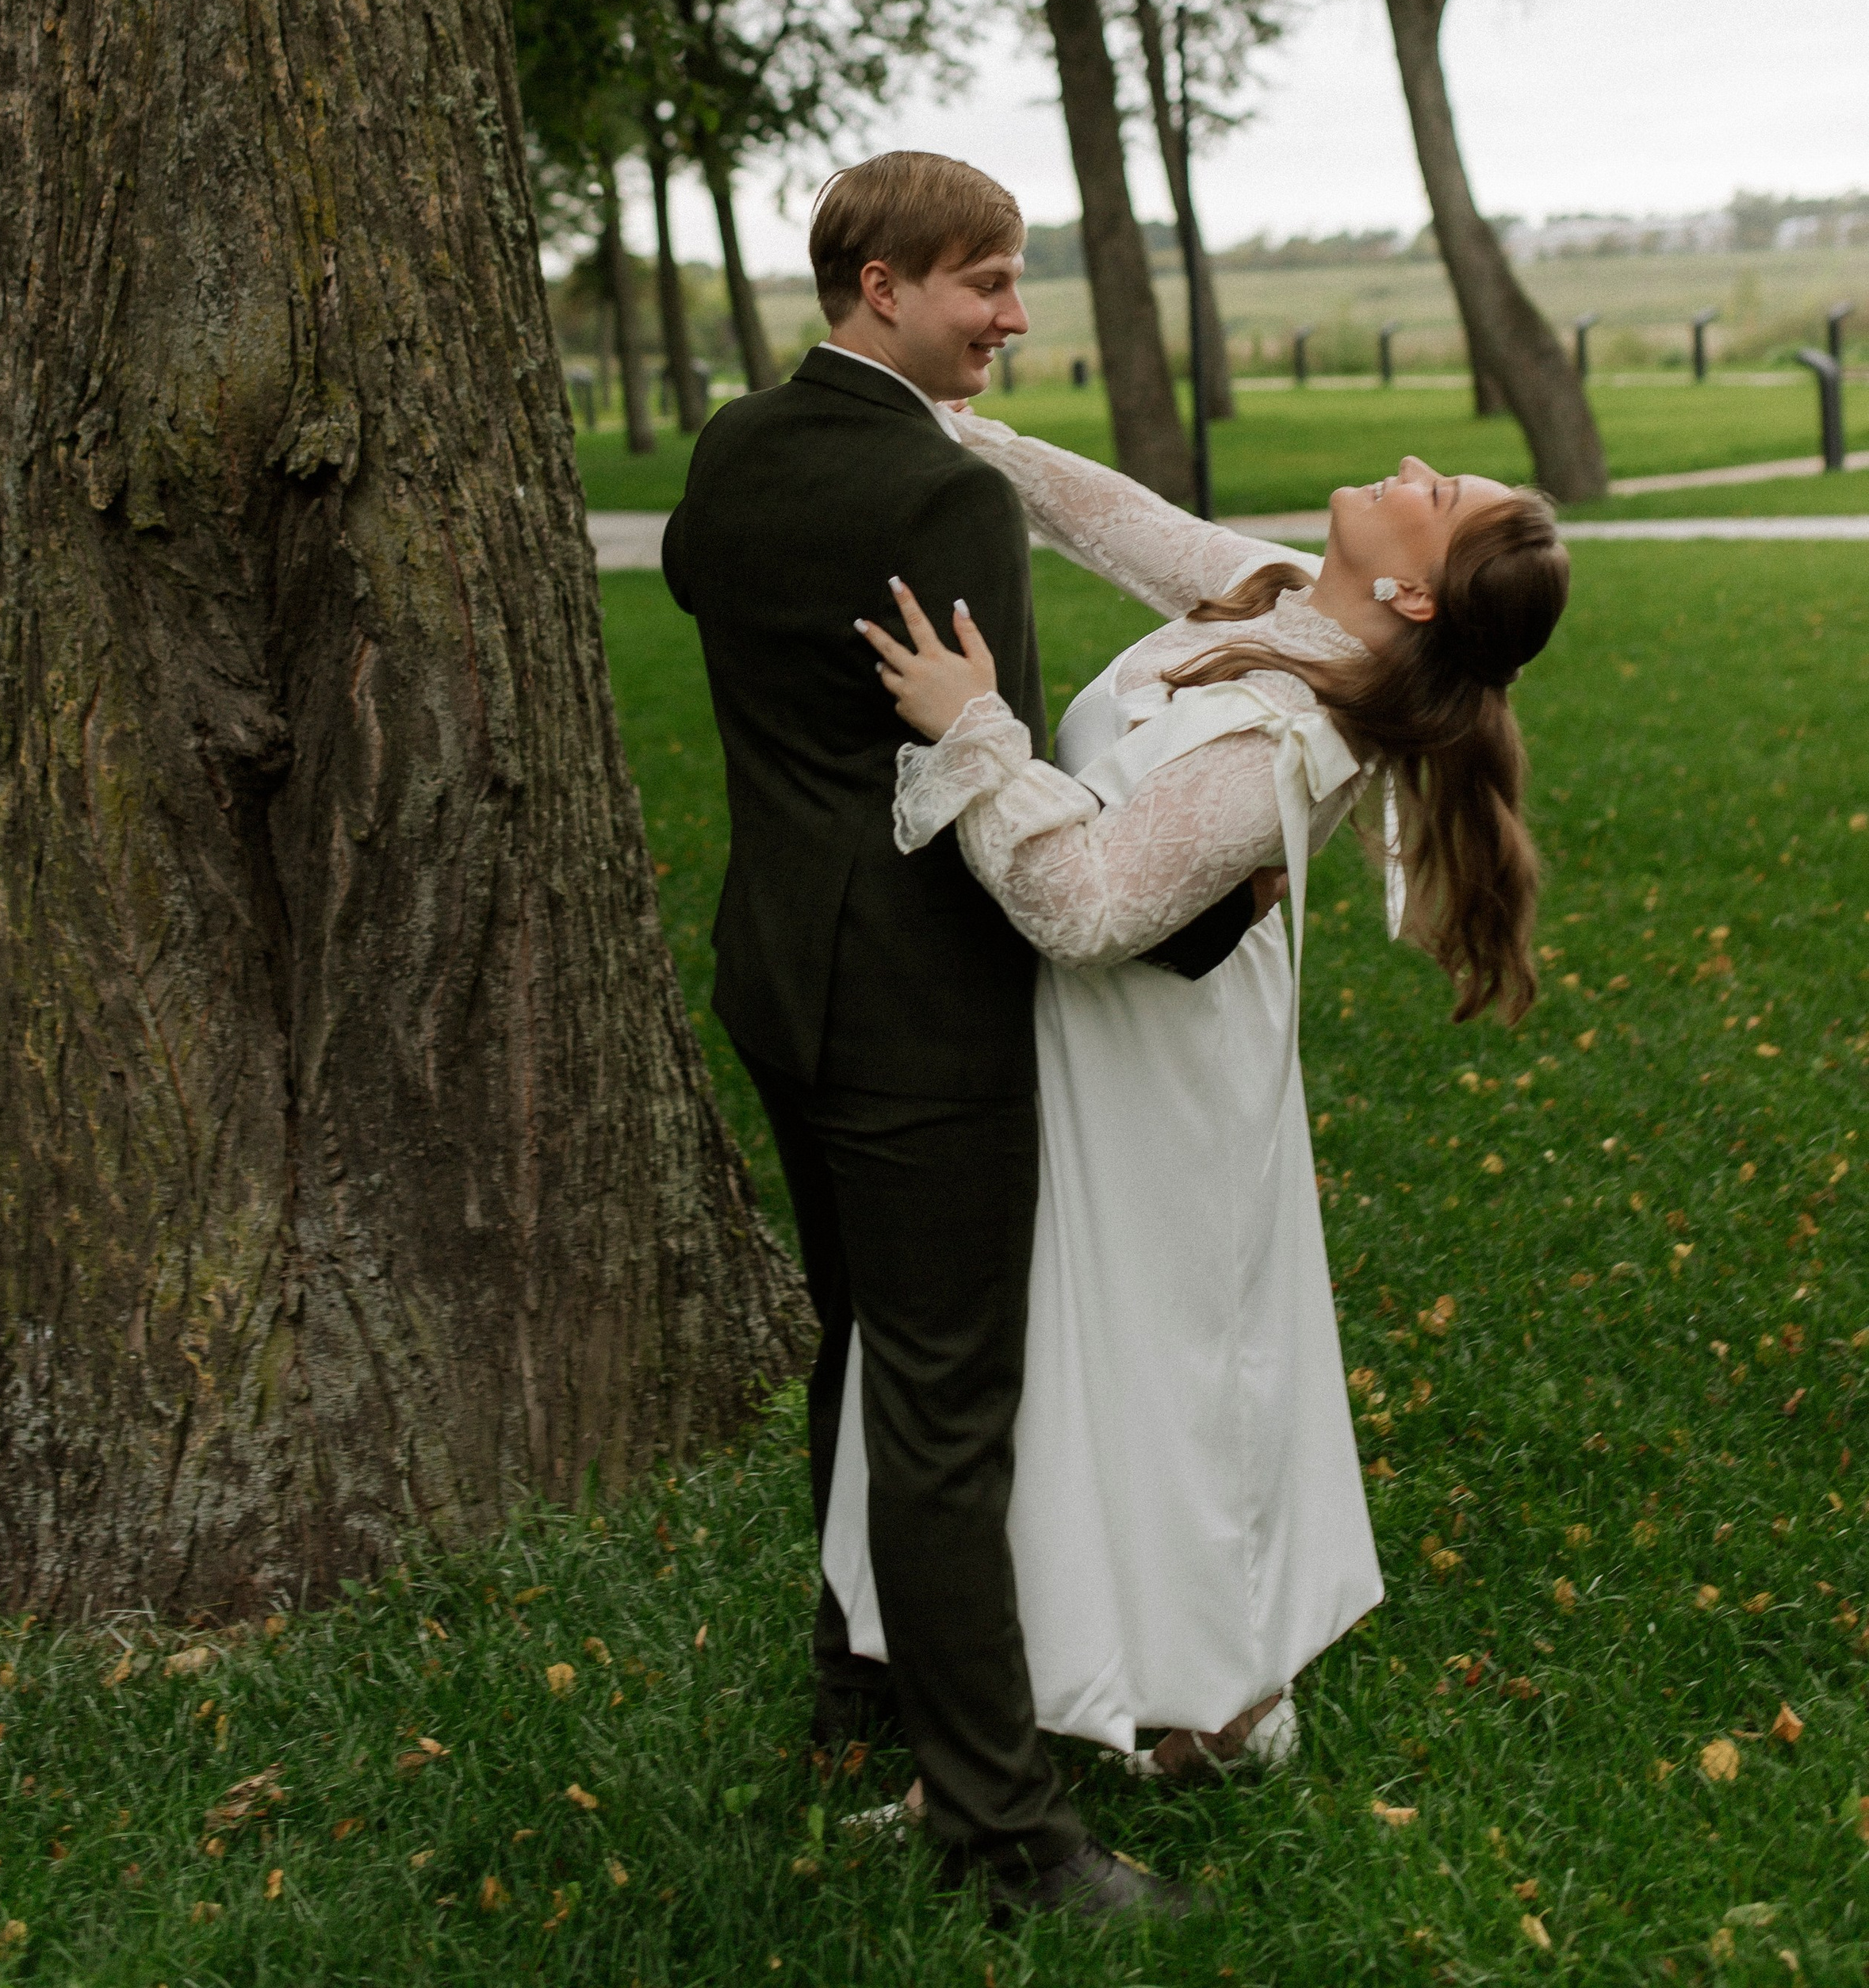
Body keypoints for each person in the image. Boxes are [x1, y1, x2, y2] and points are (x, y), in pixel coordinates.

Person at [661, 153, 1254, 1925]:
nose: (1010, 315)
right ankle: (1001, 1832)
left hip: (774, 970)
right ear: (876, 289)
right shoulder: (937, 494)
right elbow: (981, 761)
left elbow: (699, 583)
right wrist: (1211, 912)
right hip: (917, 1005)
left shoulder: (730, 446)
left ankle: (857, 1678)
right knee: (942, 1399)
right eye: (981, 282)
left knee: (864, 1345)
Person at [837, 424, 1568, 1781]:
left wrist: (973, 727)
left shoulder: (1303, 736)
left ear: (1414, 594)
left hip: (1160, 1082)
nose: (1408, 462)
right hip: (1095, 1053)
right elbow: (1107, 511)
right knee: (1072, 1366)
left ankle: (1205, 1702)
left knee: (1146, 1377)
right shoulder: (1283, 594)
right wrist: (925, 413)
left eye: (1439, 494)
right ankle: (1130, 1700)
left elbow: (1088, 905)